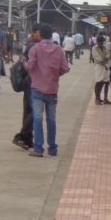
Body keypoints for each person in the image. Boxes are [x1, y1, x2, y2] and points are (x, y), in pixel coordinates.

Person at [25, 23, 70, 157]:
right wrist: (55, 75)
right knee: (51, 119)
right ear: (51, 35)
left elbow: (29, 66)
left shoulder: (35, 48)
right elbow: (65, 68)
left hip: (37, 88)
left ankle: (38, 148)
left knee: (37, 119)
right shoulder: (58, 49)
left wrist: (23, 62)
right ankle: (52, 148)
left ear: (40, 34)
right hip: (52, 88)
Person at [13, 24, 40, 150]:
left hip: (28, 82)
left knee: (28, 110)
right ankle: (21, 136)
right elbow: (29, 65)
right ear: (33, 33)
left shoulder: (31, 45)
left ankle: (27, 139)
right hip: (31, 81)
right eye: (38, 32)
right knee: (34, 110)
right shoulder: (33, 46)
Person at [91, 34, 110, 104]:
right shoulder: (94, 48)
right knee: (98, 82)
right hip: (99, 67)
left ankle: (105, 99)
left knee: (107, 82)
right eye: (100, 42)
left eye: (102, 42)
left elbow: (108, 55)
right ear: (97, 42)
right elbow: (98, 58)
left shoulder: (105, 48)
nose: (101, 44)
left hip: (105, 66)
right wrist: (104, 63)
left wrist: (107, 58)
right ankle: (97, 99)